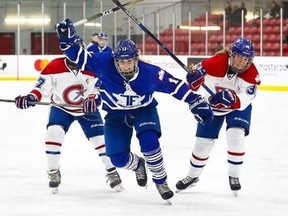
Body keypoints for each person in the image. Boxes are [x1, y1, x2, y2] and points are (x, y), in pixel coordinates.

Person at [55, 18, 214, 203]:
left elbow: (176, 86)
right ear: (115, 60)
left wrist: (195, 100)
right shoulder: (103, 63)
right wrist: (68, 40)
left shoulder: (150, 73)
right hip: (115, 115)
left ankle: (161, 181)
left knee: (150, 143)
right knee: (117, 159)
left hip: (144, 111)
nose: (126, 66)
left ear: (136, 59)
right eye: (122, 62)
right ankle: (138, 165)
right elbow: (78, 57)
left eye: (130, 61)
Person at [14, 56, 124, 194]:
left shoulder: (90, 64)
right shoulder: (54, 66)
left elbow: (97, 89)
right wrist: (30, 98)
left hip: (86, 109)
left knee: (100, 140)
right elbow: (41, 88)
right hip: (61, 108)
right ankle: (53, 171)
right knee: (53, 133)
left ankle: (111, 171)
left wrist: (93, 100)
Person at [176, 37, 261, 197]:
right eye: (239, 56)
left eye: (246, 59)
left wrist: (233, 99)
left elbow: (247, 98)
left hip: (237, 108)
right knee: (202, 143)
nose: (242, 62)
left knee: (236, 136)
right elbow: (195, 81)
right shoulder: (215, 63)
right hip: (213, 107)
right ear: (231, 54)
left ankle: (234, 175)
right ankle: (193, 176)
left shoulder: (251, 74)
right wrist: (193, 81)